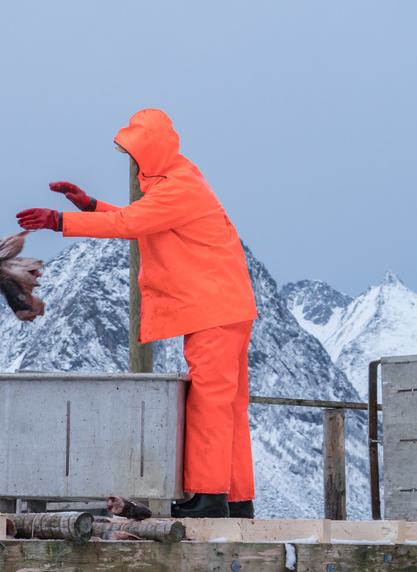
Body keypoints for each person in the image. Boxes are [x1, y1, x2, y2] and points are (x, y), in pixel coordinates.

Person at [16, 109, 257, 519]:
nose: (131, 161)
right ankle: (235, 500)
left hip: (212, 308)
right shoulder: (178, 181)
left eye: (134, 152)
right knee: (229, 406)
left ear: (151, 150)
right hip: (224, 305)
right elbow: (147, 218)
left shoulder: (179, 186)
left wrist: (60, 220)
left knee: (208, 405)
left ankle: (208, 498)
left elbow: (132, 223)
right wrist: (90, 205)